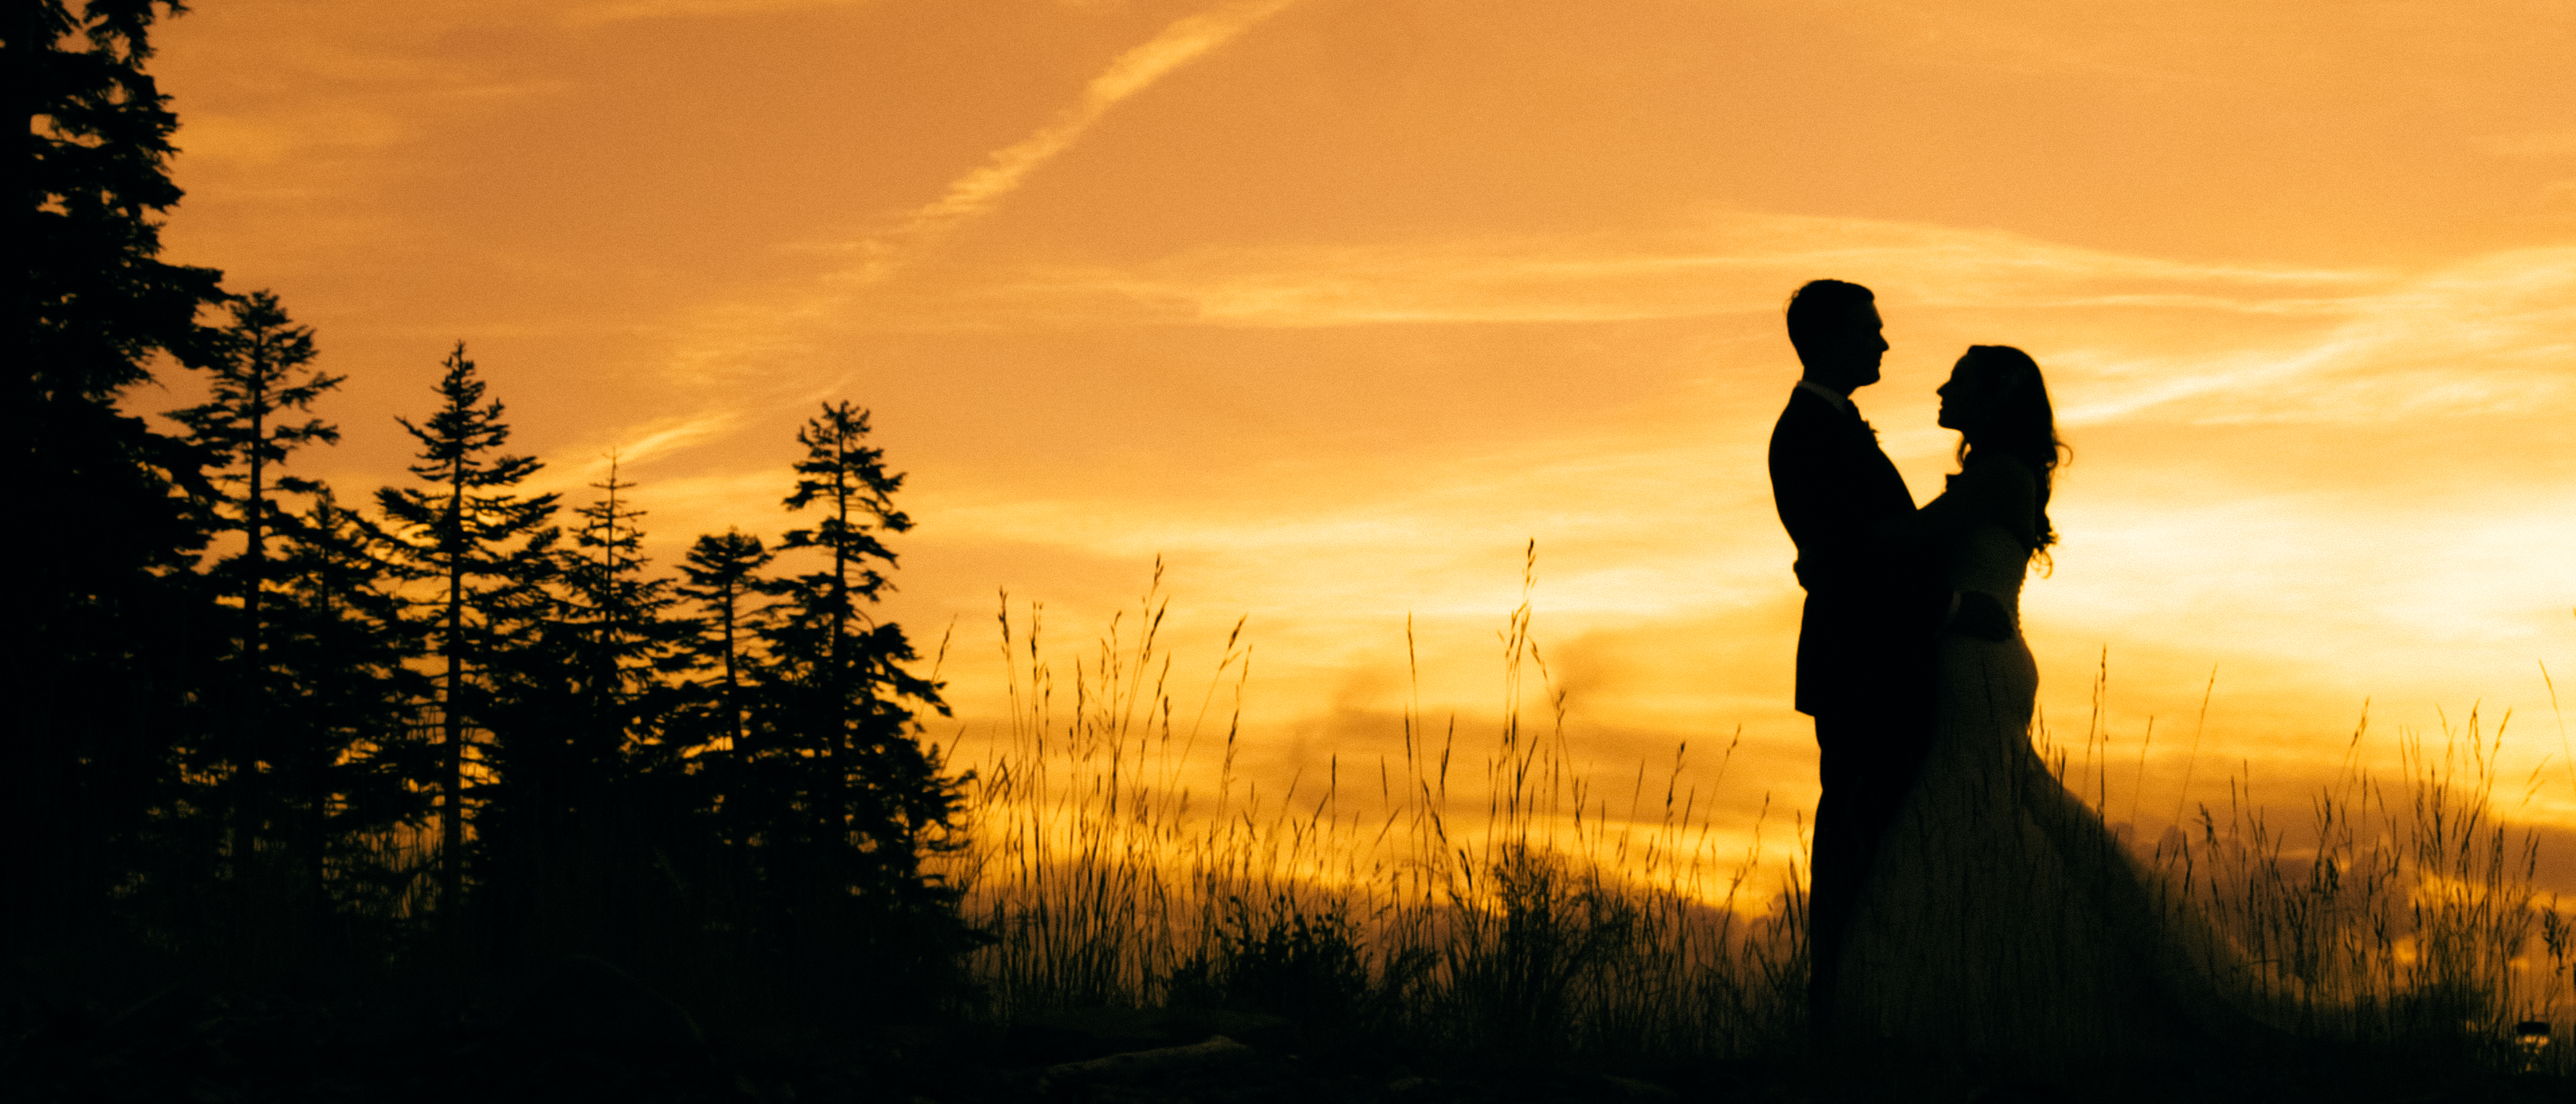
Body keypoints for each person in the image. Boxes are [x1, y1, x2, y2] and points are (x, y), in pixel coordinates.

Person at [1829, 345, 2293, 1073]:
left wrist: (1829, 551)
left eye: (1961, 380)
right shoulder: (1999, 474)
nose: (1943, 387)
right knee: (1984, 825)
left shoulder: (1997, 477)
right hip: (1981, 657)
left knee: (1958, 814)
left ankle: (1914, 1017)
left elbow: (1909, 542)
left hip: (1979, 663)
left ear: (1993, 399)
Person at [1764, 279, 1953, 1040]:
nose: (1882, 342)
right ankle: (1840, 1007)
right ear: (1829, 338)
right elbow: (1850, 552)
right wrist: (1957, 512)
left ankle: (1867, 1002)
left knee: (1875, 828)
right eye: (1869, 329)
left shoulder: (1830, 424)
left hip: (1875, 658)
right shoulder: (1809, 431)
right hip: (1861, 663)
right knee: (1857, 832)